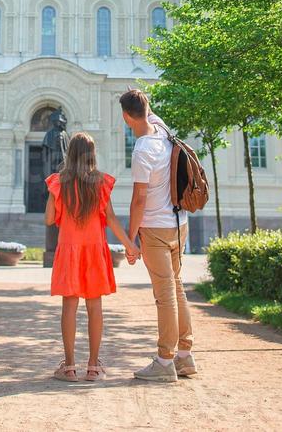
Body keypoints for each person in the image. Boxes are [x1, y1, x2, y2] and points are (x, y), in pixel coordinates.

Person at [45, 132, 140, 383]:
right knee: (94, 305)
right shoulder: (100, 183)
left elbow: (47, 219)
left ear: (70, 154)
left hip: (69, 249)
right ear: (92, 154)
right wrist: (130, 245)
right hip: (95, 250)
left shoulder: (59, 182)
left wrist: (54, 194)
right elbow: (110, 219)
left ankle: (68, 366)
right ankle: (93, 365)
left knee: (69, 306)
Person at [120, 88, 196, 383]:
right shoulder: (164, 130)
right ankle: (185, 357)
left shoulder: (142, 150)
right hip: (180, 223)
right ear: (148, 109)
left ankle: (165, 361)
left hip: (154, 227)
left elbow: (139, 199)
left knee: (165, 296)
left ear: (127, 117)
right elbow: (147, 112)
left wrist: (131, 239)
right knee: (177, 288)